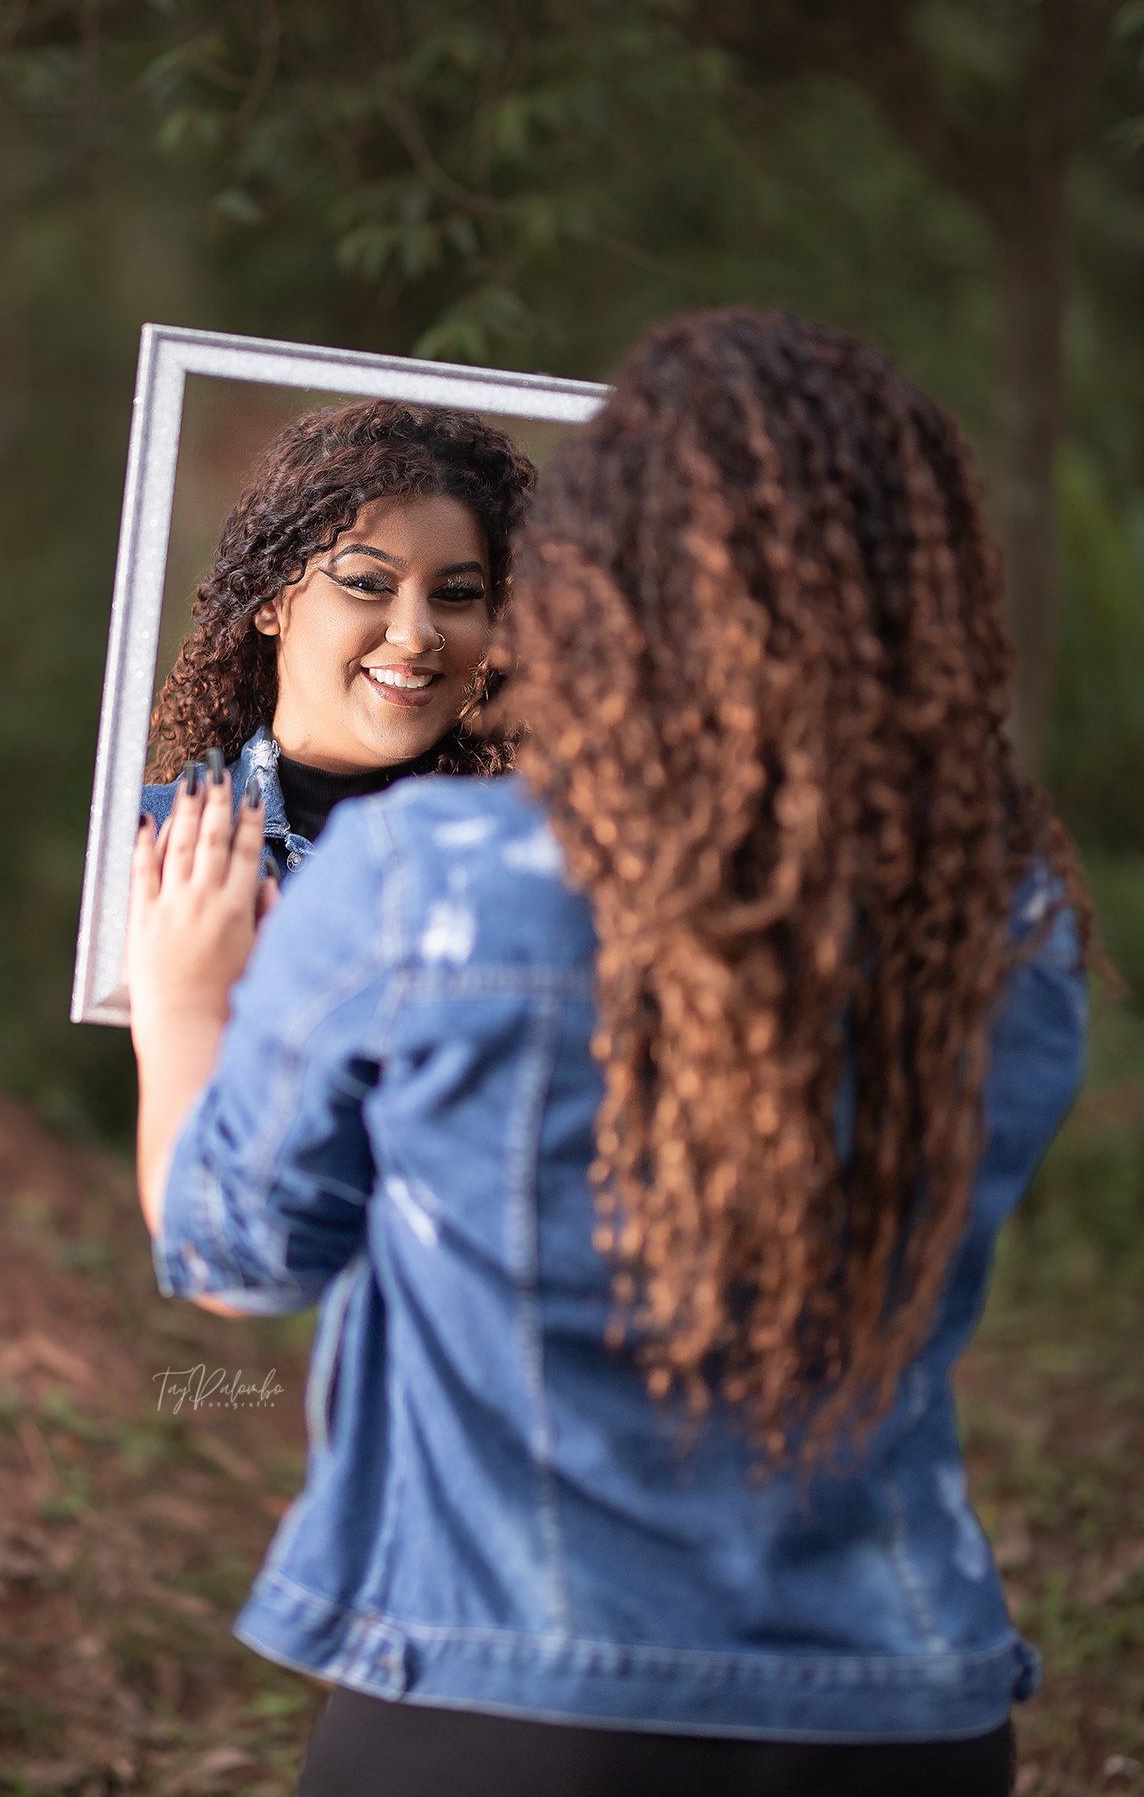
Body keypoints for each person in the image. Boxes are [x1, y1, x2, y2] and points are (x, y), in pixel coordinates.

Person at [126, 309, 1092, 1797]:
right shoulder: (1011, 925)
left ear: (591, 585)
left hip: (507, 1701)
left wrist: (188, 1009)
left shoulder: (426, 882)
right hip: (907, 1707)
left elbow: (235, 1256)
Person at [141, 400, 534, 877]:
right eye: (366, 584)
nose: (416, 635)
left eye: (456, 593)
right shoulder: (145, 841)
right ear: (268, 599)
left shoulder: (534, 859)